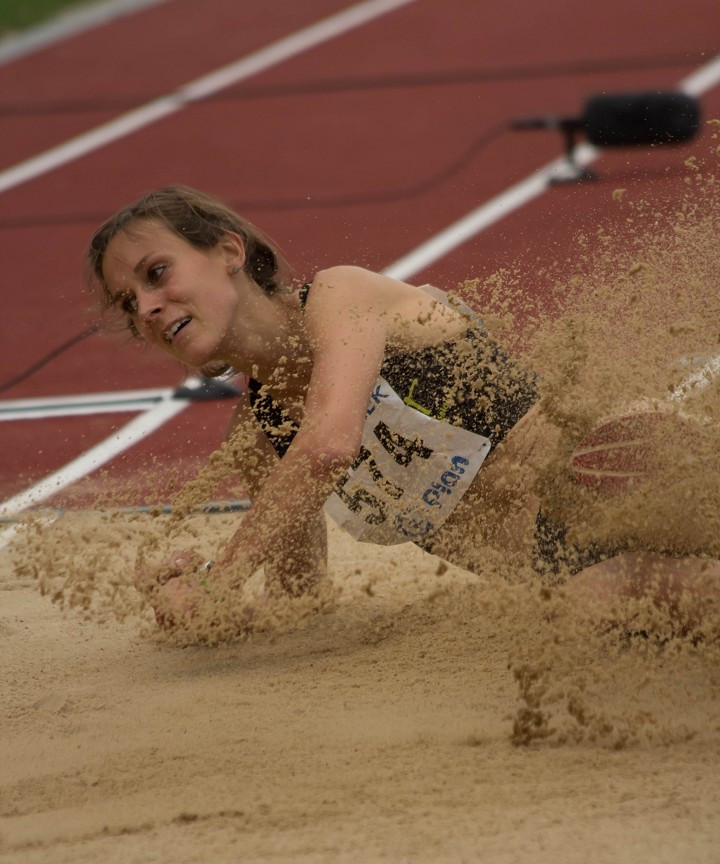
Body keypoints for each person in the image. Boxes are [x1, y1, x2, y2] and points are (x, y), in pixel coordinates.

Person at [87, 184, 719, 635]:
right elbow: (298, 600)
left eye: (157, 272)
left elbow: (329, 448)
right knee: (586, 609)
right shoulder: (260, 434)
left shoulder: (342, 295)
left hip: (606, 472)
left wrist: (219, 578)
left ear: (229, 251)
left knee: (627, 467)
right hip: (560, 566)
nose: (145, 306)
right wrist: (201, 612)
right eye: (127, 303)